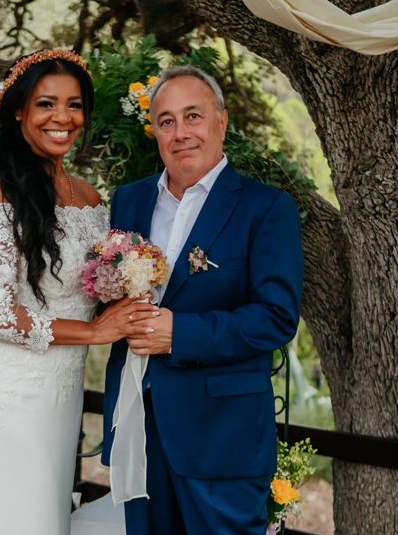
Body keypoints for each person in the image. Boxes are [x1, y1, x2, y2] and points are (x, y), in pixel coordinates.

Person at [0, 49, 158, 535]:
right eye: (46, 104)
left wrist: (133, 283)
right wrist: (96, 331)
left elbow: (93, 283)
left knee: (45, 513)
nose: (63, 118)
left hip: (60, 387)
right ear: (19, 110)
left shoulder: (89, 197)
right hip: (4, 385)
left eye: (75, 104)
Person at [102, 65, 304, 534]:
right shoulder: (128, 201)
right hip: (140, 433)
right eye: (167, 120)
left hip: (223, 439)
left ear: (221, 122)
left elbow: (276, 318)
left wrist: (180, 333)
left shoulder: (266, 208)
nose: (180, 132)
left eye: (193, 116)